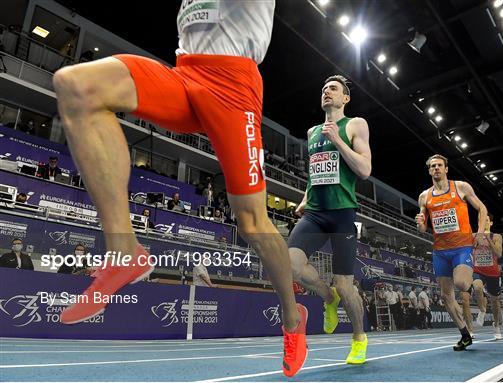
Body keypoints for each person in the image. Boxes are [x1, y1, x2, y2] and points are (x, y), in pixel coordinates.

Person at [52, 1, 307, 376]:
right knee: (75, 85)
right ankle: (125, 251)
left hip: (234, 87)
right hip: (185, 75)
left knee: (252, 222)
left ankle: (291, 316)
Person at [288, 75, 371, 364]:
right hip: (315, 213)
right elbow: (316, 172)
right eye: (323, 88)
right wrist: (305, 196)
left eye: (333, 89)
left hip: (342, 214)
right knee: (292, 264)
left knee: (345, 284)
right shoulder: (311, 131)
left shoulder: (355, 124)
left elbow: (364, 169)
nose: (326, 92)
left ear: (345, 98)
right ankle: (328, 298)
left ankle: (359, 338)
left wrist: (338, 139)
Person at [416, 154, 487, 351]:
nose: (436, 168)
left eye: (439, 165)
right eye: (432, 166)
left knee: (462, 283)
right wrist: (421, 224)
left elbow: (482, 209)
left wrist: (480, 233)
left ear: (446, 169)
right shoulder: (424, 196)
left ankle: (475, 288)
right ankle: (465, 335)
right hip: (440, 251)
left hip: (462, 246)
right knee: (447, 296)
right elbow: (423, 229)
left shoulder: (461, 187)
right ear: (429, 170)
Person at [461, 213, 503, 340]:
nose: (483, 222)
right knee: (477, 287)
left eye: (486, 220)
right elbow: (465, 250)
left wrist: (487, 239)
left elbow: (499, 253)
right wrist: (475, 243)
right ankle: (482, 310)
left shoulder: (496, 236)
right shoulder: (473, 236)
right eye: (480, 220)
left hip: (493, 272)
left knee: (495, 301)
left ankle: (496, 325)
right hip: (478, 270)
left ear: (490, 223)